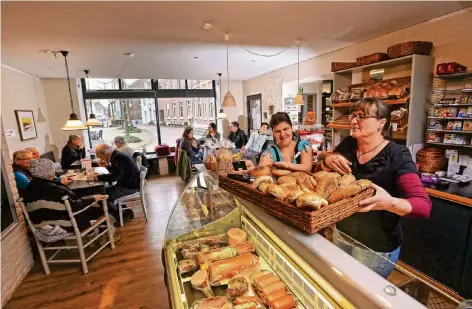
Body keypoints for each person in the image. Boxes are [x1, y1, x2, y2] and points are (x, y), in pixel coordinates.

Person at [322, 98, 432, 278]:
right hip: (342, 233)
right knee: (341, 287)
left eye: (362, 116)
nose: (354, 120)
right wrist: (327, 160)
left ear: (381, 123)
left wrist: (390, 203)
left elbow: (423, 206)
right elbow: (325, 170)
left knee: (359, 298)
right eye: (353, 115)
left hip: (375, 248)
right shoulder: (349, 144)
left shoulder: (397, 154)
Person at [22, 158, 107, 232]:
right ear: (50, 171)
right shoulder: (53, 189)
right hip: (66, 224)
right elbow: (74, 206)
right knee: (101, 209)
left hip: (43, 226)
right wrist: (93, 198)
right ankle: (97, 232)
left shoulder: (29, 188)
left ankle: (93, 231)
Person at [93, 144, 140, 220]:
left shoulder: (117, 158)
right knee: (104, 192)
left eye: (101, 157)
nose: (102, 159)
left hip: (130, 187)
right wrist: (107, 167)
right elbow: (118, 173)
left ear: (104, 153)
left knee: (103, 198)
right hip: (130, 183)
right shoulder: (117, 155)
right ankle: (124, 211)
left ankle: (122, 216)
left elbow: (115, 177)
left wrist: (97, 177)